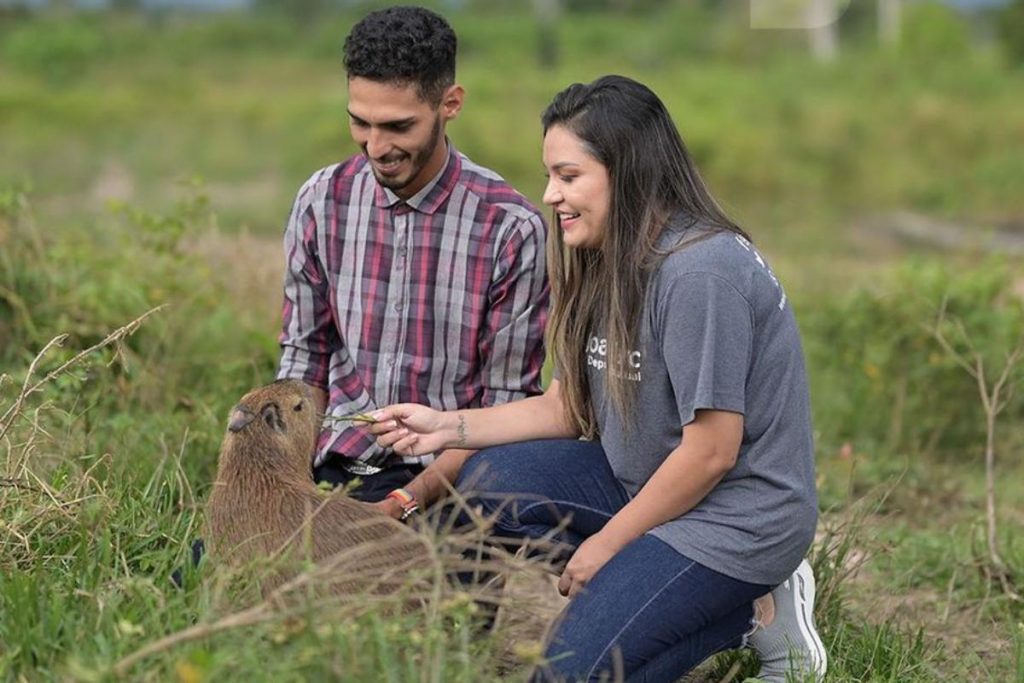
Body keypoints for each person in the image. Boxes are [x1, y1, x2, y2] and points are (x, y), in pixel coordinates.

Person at [370, 75, 827, 682]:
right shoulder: (609, 258)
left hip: (734, 519)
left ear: (628, 172)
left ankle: (749, 598)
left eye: (568, 176)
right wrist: (445, 428)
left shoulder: (700, 273)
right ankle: (738, 610)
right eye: (550, 176)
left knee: (561, 678)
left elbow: (713, 453)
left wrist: (606, 547)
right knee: (487, 481)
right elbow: (568, 408)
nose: (550, 195)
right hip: (648, 490)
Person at [276, 5, 549, 520]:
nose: (376, 147)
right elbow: (304, 359)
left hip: (457, 474)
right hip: (338, 460)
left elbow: (504, 410)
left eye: (399, 126)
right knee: (213, 580)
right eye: (360, 122)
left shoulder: (509, 228)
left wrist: (405, 502)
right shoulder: (321, 199)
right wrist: (290, 486)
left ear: (450, 104)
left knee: (426, 598)